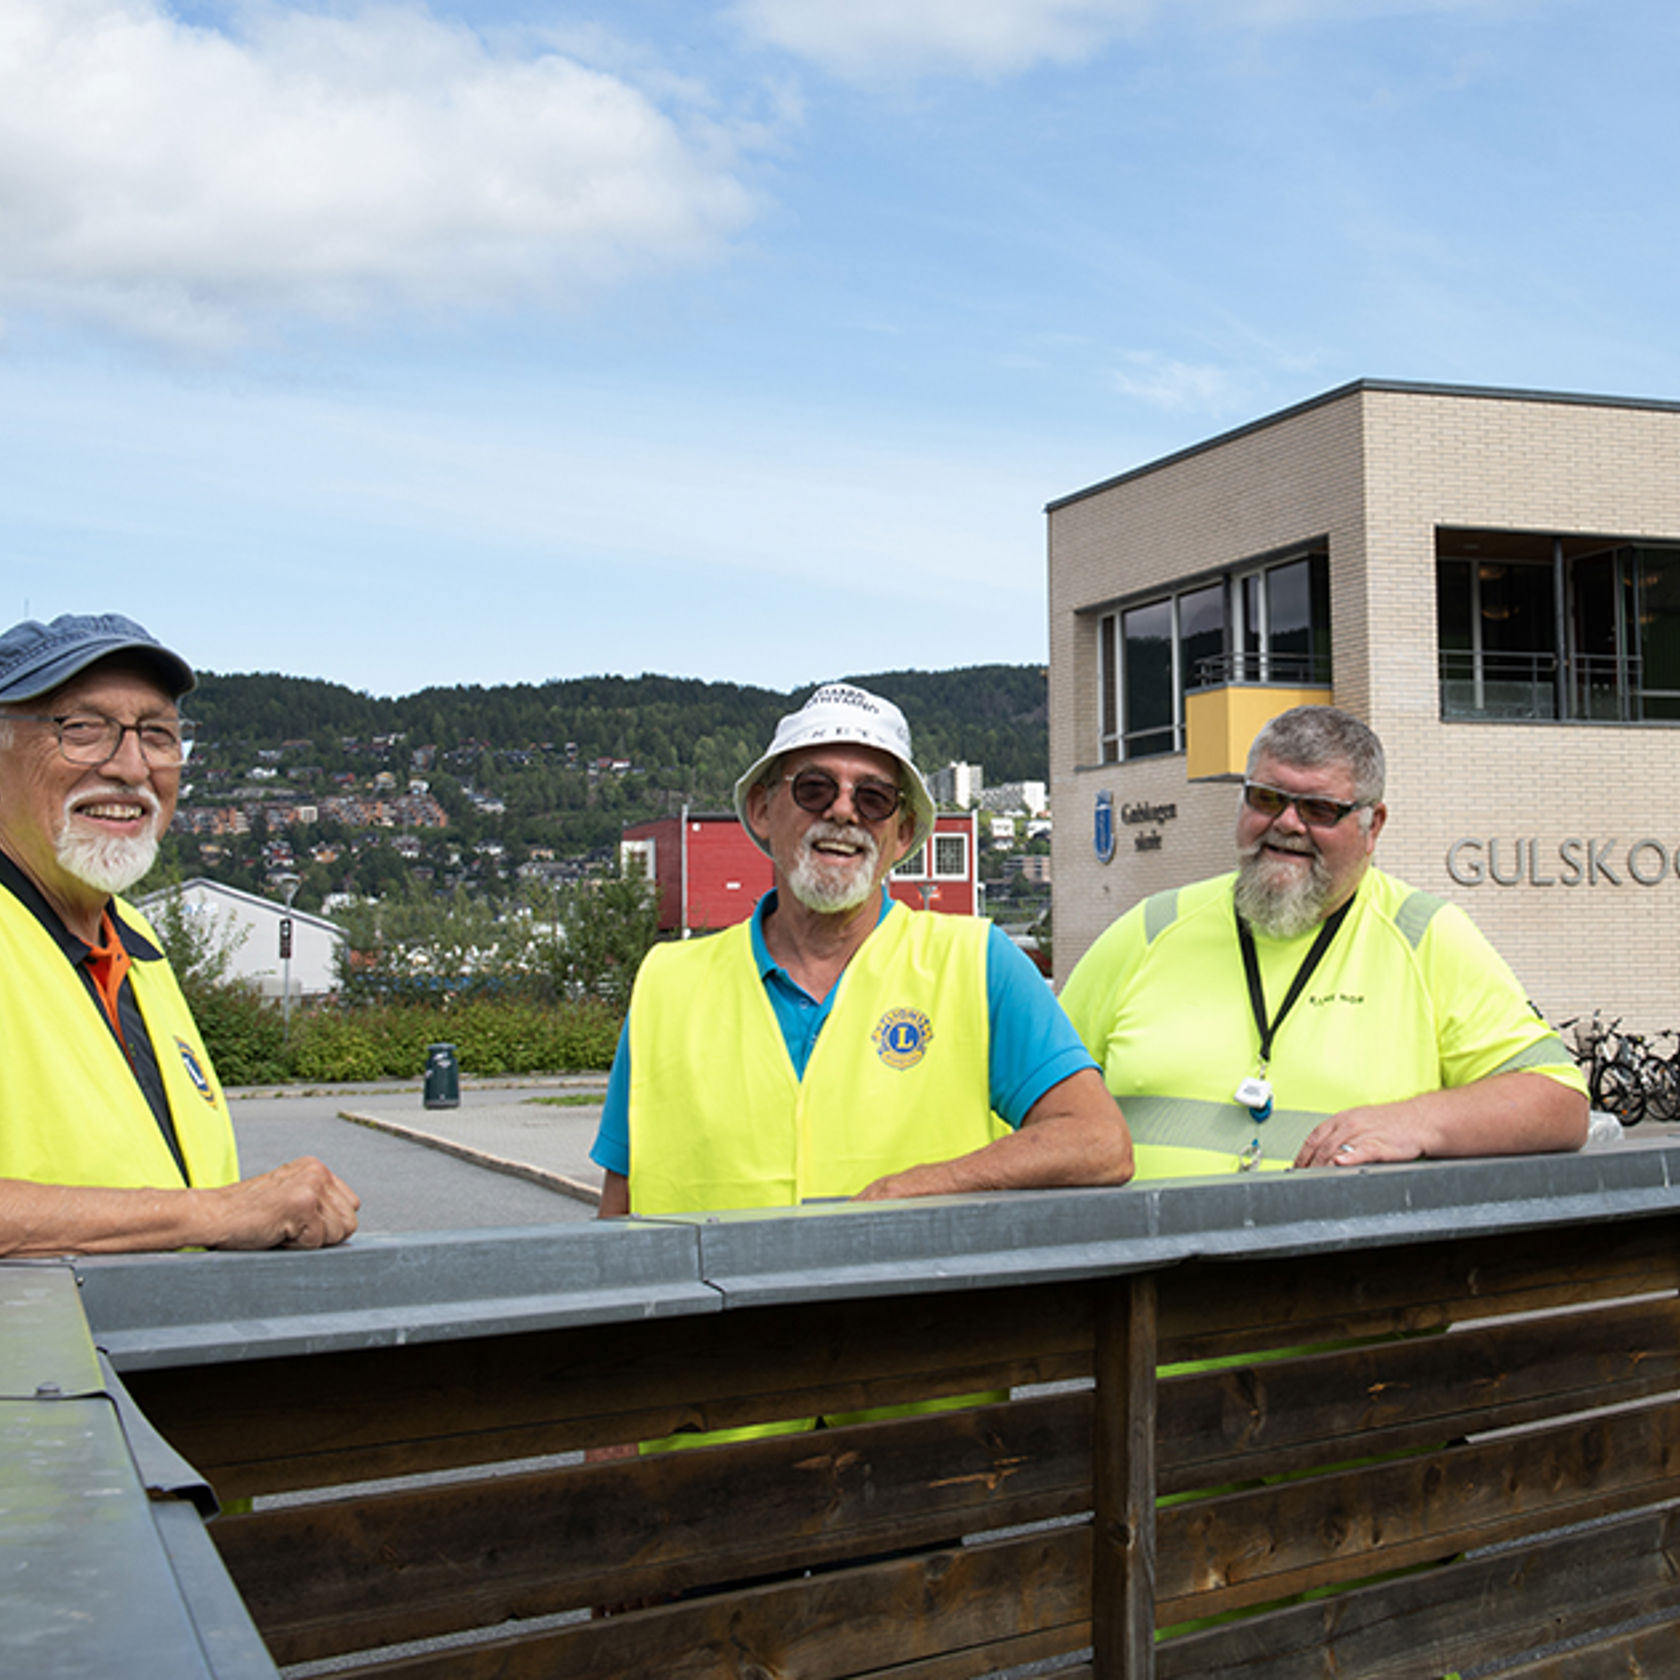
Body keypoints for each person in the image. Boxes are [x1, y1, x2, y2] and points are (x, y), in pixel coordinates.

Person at [591, 681, 1133, 1219]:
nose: (844, 812)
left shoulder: (977, 964)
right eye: (814, 789)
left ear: (902, 834)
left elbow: (1099, 1141)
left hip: (911, 1307)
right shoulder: (668, 984)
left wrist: (919, 1187)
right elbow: (619, 1205)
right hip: (718, 1308)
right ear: (762, 809)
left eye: (873, 798)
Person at [1060, 705, 1588, 1179]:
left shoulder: (1426, 936)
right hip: (1148, 1276)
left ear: (1372, 825)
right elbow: (1031, 1100)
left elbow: (1559, 1103)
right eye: (1267, 798)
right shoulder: (1150, 928)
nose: (1287, 823)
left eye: (1317, 809)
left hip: (1340, 1281)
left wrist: (1416, 1121)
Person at [0, 612, 359, 1257]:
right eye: (82, 729)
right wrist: (217, 1214)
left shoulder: (135, 941)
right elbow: (204, 1213)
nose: (132, 767)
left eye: (159, 735)